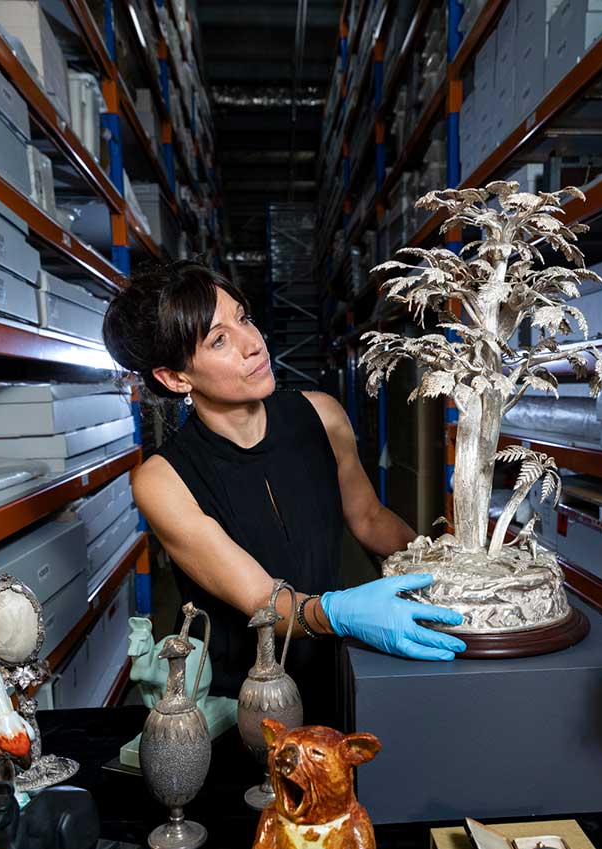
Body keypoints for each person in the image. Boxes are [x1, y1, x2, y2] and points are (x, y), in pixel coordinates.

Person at [103, 260, 465, 723]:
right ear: (176, 379)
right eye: (219, 339)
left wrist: (445, 570)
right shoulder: (162, 479)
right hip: (234, 705)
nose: (253, 344)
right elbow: (262, 601)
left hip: (333, 670)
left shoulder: (323, 415)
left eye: (244, 318)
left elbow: (369, 519)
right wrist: (341, 612)